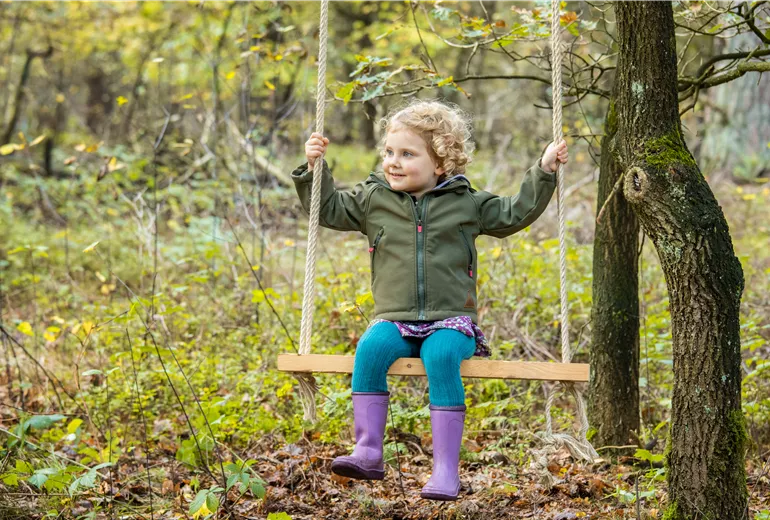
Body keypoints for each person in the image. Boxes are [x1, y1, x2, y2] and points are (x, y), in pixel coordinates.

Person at [292, 99, 568, 501]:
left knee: (440, 356)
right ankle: (368, 450)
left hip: (450, 321)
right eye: (389, 152)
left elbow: (513, 214)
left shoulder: (465, 202)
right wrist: (315, 170)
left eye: (407, 154)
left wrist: (543, 171)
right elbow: (329, 209)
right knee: (370, 348)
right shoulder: (374, 199)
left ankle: (444, 470)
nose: (393, 162)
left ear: (440, 163)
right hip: (396, 318)